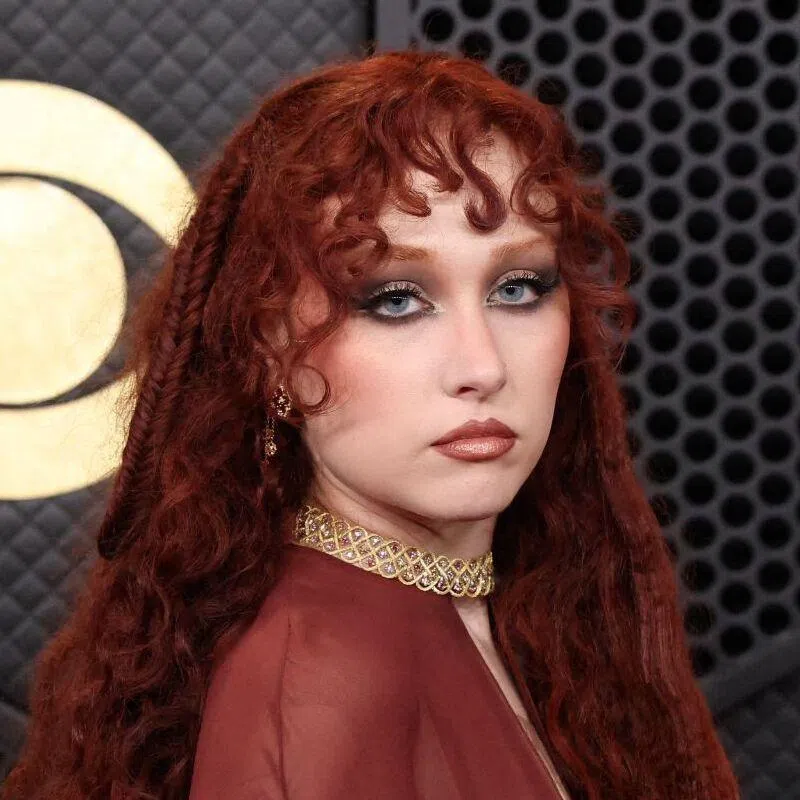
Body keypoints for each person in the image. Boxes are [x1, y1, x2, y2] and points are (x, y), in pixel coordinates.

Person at [2, 50, 740, 800]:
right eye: (394, 300)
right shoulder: (326, 682)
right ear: (272, 353)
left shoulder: (506, 619)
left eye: (518, 288)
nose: (481, 365)